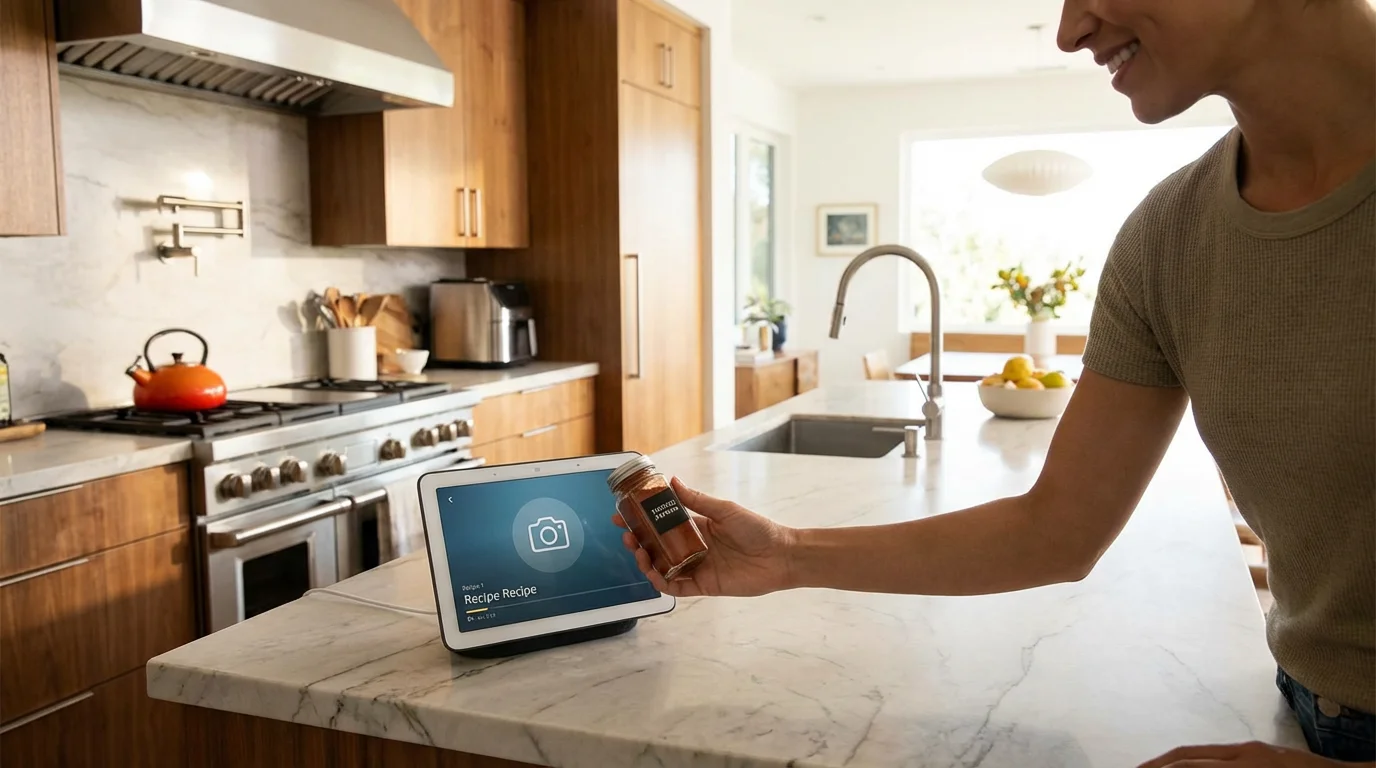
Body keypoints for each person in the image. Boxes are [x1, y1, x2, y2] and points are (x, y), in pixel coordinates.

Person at [617, 0, 1376, 765]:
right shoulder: (1170, 235)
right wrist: (786, 554)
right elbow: (1057, 529)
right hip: (1306, 708)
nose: (1069, 31)